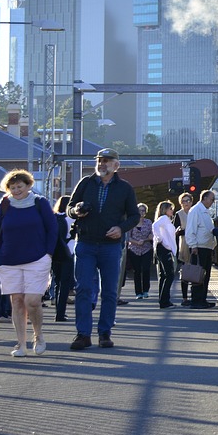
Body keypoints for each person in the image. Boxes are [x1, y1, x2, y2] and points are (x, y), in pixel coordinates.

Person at [66, 148, 139, 351]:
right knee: (83, 289)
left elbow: (134, 216)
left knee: (109, 292)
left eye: (106, 161)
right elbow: (68, 208)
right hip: (86, 243)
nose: (101, 164)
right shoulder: (85, 183)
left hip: (111, 247)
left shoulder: (125, 188)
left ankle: (104, 333)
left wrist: (121, 228)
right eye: (99, 160)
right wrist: (76, 210)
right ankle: (83, 334)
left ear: (116, 165)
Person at [0, 169, 58, 356]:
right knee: (17, 301)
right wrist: (0, 255)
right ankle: (21, 344)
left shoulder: (40, 203)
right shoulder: (4, 205)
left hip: (37, 258)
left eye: (19, 186)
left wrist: (48, 254)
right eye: (12, 187)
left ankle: (39, 336)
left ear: (29, 185)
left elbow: (52, 229)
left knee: (33, 301)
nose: (16, 190)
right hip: (9, 260)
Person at [184, 190, 217, 309]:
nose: (213, 202)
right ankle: (196, 300)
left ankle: (202, 299)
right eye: (212, 199)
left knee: (205, 275)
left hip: (206, 247)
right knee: (198, 275)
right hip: (198, 248)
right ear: (204, 198)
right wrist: (193, 245)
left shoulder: (205, 212)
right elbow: (190, 229)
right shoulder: (196, 210)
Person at [51, 195, 75, 322]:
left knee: (57, 282)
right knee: (65, 284)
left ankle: (57, 311)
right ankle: (61, 313)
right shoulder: (70, 218)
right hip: (68, 252)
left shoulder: (53, 217)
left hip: (54, 252)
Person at [152, 201, 177, 309]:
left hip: (162, 248)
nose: (172, 210)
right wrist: (161, 239)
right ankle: (164, 301)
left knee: (163, 275)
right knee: (170, 274)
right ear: (165, 209)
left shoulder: (166, 220)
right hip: (164, 248)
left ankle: (163, 300)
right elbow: (155, 226)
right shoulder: (163, 219)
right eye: (170, 208)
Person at [126, 203, 154, 300]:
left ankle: (146, 290)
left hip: (146, 248)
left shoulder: (148, 222)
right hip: (134, 249)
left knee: (146, 269)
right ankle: (138, 292)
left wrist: (146, 240)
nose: (141, 213)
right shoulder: (131, 222)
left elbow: (151, 235)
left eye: (143, 211)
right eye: (139, 211)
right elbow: (128, 237)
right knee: (137, 271)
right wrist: (136, 242)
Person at [174, 193, 194, 306]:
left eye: (188, 201)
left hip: (196, 244)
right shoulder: (179, 214)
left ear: (191, 202)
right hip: (183, 246)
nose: (186, 203)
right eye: (183, 201)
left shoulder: (195, 212)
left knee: (196, 271)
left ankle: (195, 295)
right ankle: (185, 297)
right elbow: (175, 232)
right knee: (185, 273)